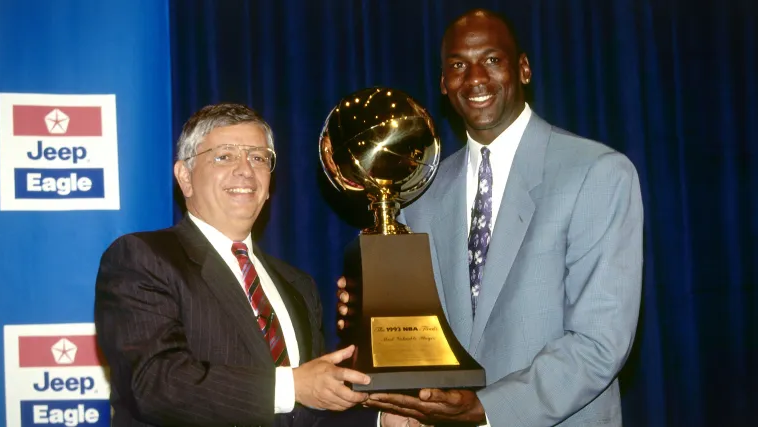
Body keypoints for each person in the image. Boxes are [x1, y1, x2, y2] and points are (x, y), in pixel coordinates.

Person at [338, 8, 643, 427]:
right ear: (444, 84)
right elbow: (423, 336)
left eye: (492, 60)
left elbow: (599, 342)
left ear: (523, 69)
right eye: (458, 66)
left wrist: (487, 410)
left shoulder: (597, 172)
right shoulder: (420, 193)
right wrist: (370, 311)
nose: (475, 78)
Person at [96, 103, 403, 426]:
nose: (245, 170)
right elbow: (154, 385)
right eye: (224, 156)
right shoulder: (142, 258)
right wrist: (292, 385)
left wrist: (382, 422)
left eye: (258, 158)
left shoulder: (297, 284)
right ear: (185, 177)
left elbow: (307, 413)